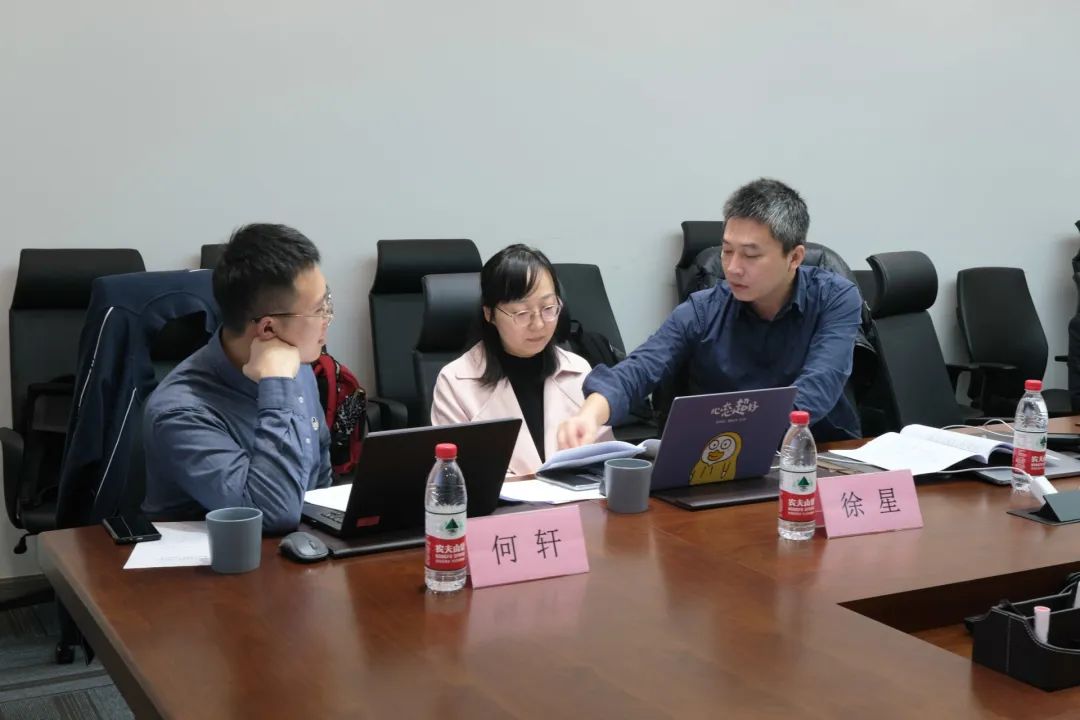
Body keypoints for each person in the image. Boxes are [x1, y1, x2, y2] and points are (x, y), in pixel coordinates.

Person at [558, 178, 862, 448]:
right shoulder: (703, 309)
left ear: (794, 257)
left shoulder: (835, 298)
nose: (733, 268)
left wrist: (750, 435)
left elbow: (819, 384)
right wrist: (590, 415)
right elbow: (641, 367)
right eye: (727, 251)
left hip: (818, 450)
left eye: (751, 255)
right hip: (723, 456)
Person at [142, 224, 334, 533]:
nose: (327, 318)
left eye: (327, 302)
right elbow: (271, 514)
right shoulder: (179, 412)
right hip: (211, 560)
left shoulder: (297, 368)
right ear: (268, 329)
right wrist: (277, 386)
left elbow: (319, 482)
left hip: (294, 550)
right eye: (318, 309)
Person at [431, 244, 613, 476]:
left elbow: (604, 462)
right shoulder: (455, 382)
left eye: (548, 308)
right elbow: (456, 475)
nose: (538, 324)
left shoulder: (579, 370)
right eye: (522, 313)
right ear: (490, 314)